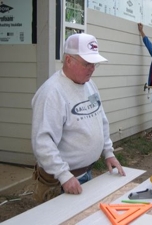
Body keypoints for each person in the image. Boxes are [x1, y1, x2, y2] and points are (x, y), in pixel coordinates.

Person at [31, 33, 126, 203]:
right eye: (87, 64)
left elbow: (100, 120)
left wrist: (108, 152)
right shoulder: (51, 93)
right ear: (68, 60)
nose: (92, 69)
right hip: (60, 182)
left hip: (84, 174)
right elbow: (43, 142)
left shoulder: (89, 85)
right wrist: (64, 175)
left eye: (94, 64)